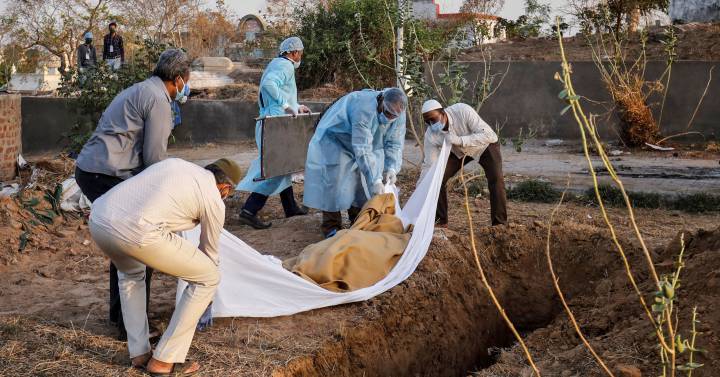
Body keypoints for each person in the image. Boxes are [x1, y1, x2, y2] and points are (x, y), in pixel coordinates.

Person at [74, 48, 191, 340]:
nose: (186, 86)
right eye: (187, 80)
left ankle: (121, 317)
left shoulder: (142, 89)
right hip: (105, 173)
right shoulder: (159, 101)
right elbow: (154, 161)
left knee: (124, 247)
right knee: (139, 244)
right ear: (178, 79)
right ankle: (132, 327)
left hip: (95, 170)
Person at [89, 157, 241, 375]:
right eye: (229, 193)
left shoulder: (178, 165)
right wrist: (206, 298)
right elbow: (209, 254)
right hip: (138, 231)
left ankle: (139, 353)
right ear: (226, 187)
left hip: (99, 219)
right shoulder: (214, 199)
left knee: (131, 275)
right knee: (208, 278)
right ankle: (164, 360)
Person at [304, 88, 407, 238]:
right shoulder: (364, 108)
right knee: (335, 182)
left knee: (361, 183)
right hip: (336, 139)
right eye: (388, 113)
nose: (390, 118)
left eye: (394, 116)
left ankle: (357, 220)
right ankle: (331, 226)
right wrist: (376, 179)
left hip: (361, 142)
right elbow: (363, 148)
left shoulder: (399, 115)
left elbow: (395, 143)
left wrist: (392, 168)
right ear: (381, 102)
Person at [236, 36, 311, 229]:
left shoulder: (277, 63)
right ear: (294, 52)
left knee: (284, 166)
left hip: (274, 122)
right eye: (300, 53)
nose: (300, 57)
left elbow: (279, 90)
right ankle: (249, 210)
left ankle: (290, 207)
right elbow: (269, 85)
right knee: (276, 171)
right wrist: (286, 105)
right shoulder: (285, 66)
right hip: (274, 124)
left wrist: (295, 105)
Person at [420, 99, 507, 227]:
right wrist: (421, 185)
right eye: (427, 122)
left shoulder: (462, 111)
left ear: (443, 112)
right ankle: (441, 221)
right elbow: (429, 165)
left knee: (496, 179)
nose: (432, 124)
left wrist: (460, 140)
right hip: (458, 152)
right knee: (436, 178)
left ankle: (499, 224)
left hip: (483, 146)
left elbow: (489, 135)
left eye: (433, 119)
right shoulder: (431, 135)